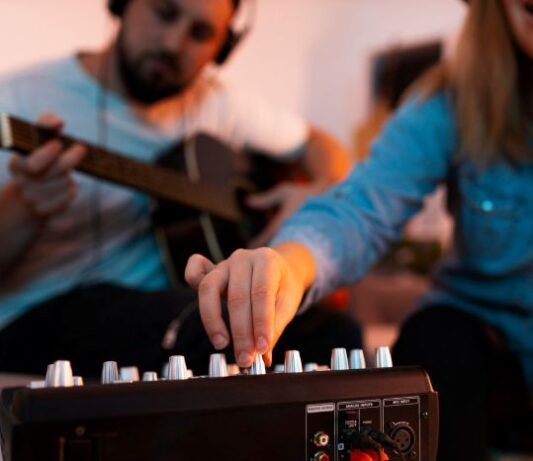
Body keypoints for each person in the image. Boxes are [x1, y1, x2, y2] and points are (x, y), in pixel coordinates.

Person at [186, 0, 533, 459]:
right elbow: (364, 207)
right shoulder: (448, 102)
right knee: (436, 340)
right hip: (484, 345)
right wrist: (290, 264)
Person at [0, 0, 362, 377]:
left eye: (201, 34)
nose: (174, 43)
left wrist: (321, 188)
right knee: (226, 329)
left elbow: (321, 145)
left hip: (167, 304)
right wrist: (25, 204)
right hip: (38, 316)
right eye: (165, 13)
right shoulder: (21, 99)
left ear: (223, 49)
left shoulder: (216, 103)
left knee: (332, 332)